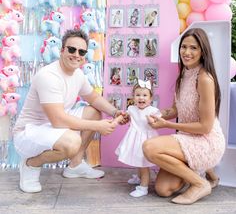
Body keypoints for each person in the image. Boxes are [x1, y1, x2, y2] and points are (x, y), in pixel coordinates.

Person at [13, 29, 127, 193]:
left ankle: (75, 165)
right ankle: (30, 164)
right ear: (62, 50)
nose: (76, 55)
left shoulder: (78, 74)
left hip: (52, 125)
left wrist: (116, 112)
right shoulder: (49, 76)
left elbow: (94, 98)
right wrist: (98, 127)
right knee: (73, 142)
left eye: (81, 51)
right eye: (71, 49)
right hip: (29, 132)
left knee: (94, 112)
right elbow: (58, 120)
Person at [143, 28, 225, 205]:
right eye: (184, 47)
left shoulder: (204, 79)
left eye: (194, 48)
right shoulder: (184, 74)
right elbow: (177, 109)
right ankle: (203, 171)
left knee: (149, 147)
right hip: (187, 138)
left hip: (206, 141)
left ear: (203, 51)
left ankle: (199, 183)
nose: (187, 52)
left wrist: (167, 125)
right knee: (163, 190)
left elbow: (205, 127)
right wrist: (157, 114)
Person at [115, 79, 161, 198]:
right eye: (138, 95)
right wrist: (117, 120)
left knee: (143, 164)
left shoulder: (153, 111)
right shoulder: (131, 109)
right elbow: (124, 117)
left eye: (145, 95)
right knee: (137, 159)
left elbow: (158, 122)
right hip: (134, 138)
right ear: (133, 97)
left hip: (147, 139)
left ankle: (143, 187)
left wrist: (153, 121)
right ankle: (139, 177)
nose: (141, 98)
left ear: (150, 98)